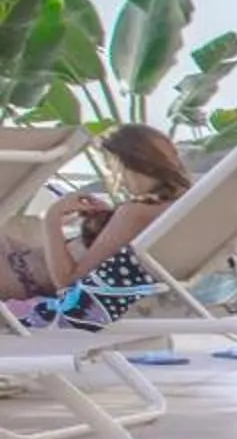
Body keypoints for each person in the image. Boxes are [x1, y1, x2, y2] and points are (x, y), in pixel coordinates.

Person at [2, 123, 187, 329]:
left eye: (111, 166)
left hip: (21, 280)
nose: (116, 179)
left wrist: (52, 219)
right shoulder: (180, 207)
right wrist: (107, 220)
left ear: (125, 162)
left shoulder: (135, 212)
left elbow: (67, 282)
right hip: (22, 264)